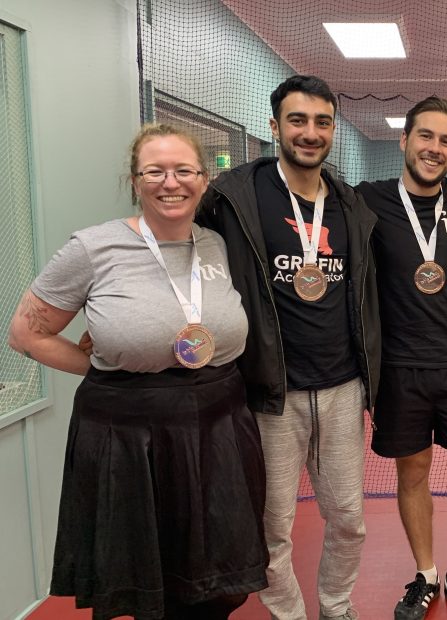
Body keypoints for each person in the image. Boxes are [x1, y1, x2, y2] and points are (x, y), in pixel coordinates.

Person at [7, 123, 269, 619]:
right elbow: (26, 334)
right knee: (150, 584)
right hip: (129, 433)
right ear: (135, 181)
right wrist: (104, 363)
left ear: (204, 179)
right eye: (155, 171)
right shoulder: (92, 247)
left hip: (220, 426)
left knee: (222, 585)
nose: (171, 182)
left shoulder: (215, 245)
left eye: (184, 170)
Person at [196, 75, 380, 620]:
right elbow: (188, 252)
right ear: (274, 127)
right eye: (298, 120)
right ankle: (289, 614)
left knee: (348, 517)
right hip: (271, 391)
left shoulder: (349, 206)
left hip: (343, 387)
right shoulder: (232, 197)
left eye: (322, 122)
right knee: (273, 524)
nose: (310, 132)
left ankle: (336, 606)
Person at [356, 97, 447, 620]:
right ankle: (423, 575)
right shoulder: (367, 201)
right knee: (412, 475)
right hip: (399, 369)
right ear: (404, 140)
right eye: (425, 136)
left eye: (446, 141)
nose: (434, 148)